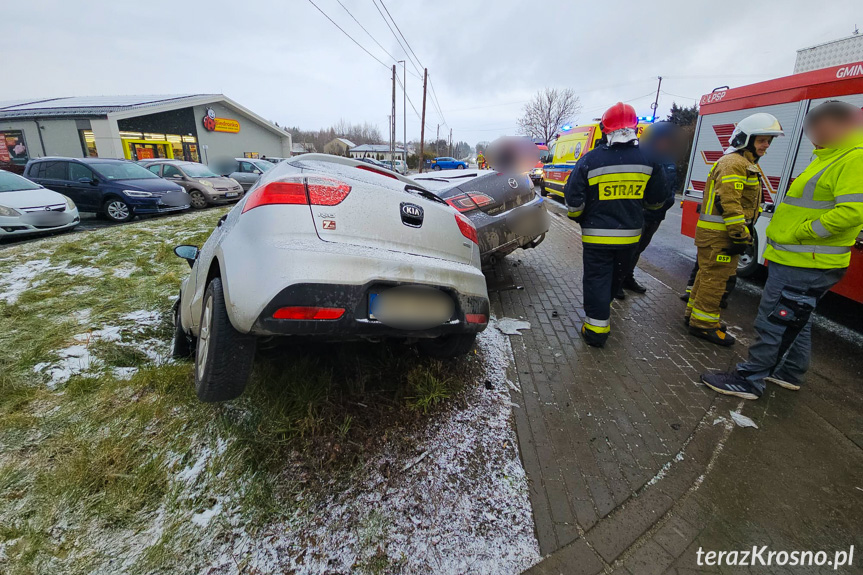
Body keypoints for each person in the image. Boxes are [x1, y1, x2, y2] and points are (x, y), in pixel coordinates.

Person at [702, 100, 863, 399]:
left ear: (838, 125)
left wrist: (799, 234)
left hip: (804, 259)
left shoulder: (854, 158)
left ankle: (749, 379)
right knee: (795, 319)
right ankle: (789, 372)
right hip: (801, 258)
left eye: (817, 124)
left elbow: (853, 213)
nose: (810, 131)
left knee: (773, 320)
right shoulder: (832, 155)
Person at [564, 102, 667, 347]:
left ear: (604, 129)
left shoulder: (590, 160)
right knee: (615, 278)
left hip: (596, 238)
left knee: (597, 279)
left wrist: (579, 217)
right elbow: (657, 199)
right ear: (634, 129)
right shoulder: (650, 159)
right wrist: (640, 213)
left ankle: (596, 332)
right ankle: (603, 313)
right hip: (630, 238)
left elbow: (573, 199)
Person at [685, 113, 784, 346]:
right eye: (762, 140)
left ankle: (695, 315)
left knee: (706, 276)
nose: (766, 146)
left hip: (717, 234)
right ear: (746, 139)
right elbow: (729, 203)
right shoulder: (735, 164)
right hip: (721, 235)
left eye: (769, 141)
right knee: (715, 280)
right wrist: (740, 235)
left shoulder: (740, 163)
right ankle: (704, 325)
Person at [619, 121, 681, 297]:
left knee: (639, 249)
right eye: (662, 139)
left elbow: (671, 187)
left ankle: (627, 277)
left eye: (667, 140)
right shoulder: (642, 157)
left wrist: (667, 203)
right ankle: (617, 281)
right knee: (628, 249)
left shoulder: (668, 161)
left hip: (656, 215)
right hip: (640, 214)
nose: (665, 143)